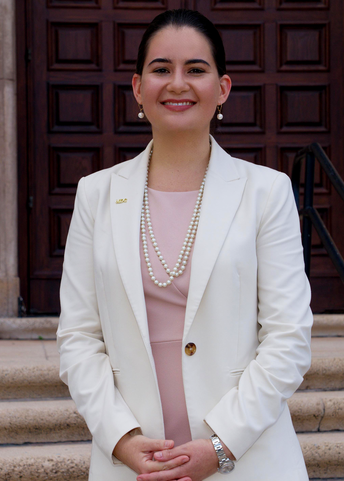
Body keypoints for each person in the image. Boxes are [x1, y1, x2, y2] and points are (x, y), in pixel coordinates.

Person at [56, 9, 313, 481]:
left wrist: (222, 444)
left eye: (196, 69)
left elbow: (288, 338)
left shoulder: (266, 192)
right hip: (133, 463)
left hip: (247, 458)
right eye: (161, 69)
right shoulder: (96, 194)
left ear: (223, 88)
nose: (178, 83)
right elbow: (78, 338)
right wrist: (121, 438)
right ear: (137, 88)